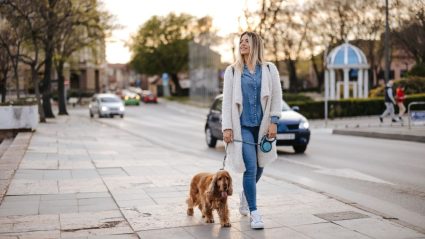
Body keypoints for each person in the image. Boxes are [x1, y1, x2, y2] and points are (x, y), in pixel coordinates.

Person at [221, 31, 282, 229]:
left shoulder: (269, 69)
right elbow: (227, 102)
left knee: (261, 165)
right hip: (243, 128)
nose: (242, 44)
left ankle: (246, 195)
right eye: (241, 42)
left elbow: (276, 97)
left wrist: (274, 121)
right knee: (251, 167)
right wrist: (227, 128)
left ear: (256, 44)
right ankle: (255, 213)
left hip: (263, 127)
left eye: (247, 41)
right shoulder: (232, 71)